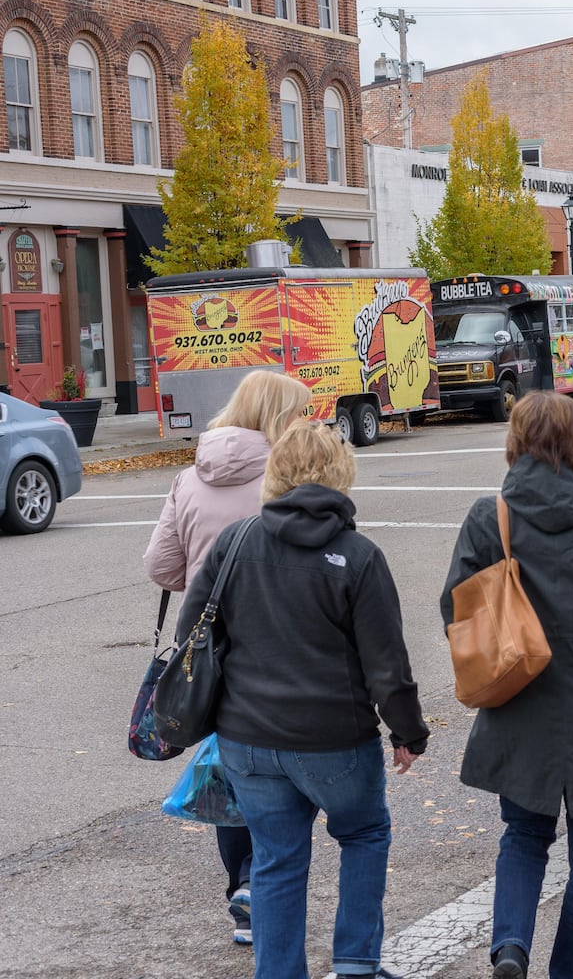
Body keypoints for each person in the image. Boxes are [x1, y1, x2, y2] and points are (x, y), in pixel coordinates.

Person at [190, 421, 428, 979]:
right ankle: (355, 964)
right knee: (365, 833)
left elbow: (196, 632)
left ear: (275, 474)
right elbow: (386, 665)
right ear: (340, 473)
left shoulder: (236, 541)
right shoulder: (358, 554)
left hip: (247, 739)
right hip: (333, 741)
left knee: (274, 860)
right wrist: (407, 733)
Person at [440, 391, 573, 979]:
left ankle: (510, 948)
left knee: (524, 834)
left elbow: (455, 610)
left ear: (517, 441)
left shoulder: (488, 515)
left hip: (519, 691)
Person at [142, 369, 308, 946]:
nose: (307, 423)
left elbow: (161, 568)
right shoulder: (288, 475)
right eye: (301, 413)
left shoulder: (190, 476)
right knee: (280, 769)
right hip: (275, 641)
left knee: (227, 767)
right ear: (282, 419)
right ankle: (262, 882)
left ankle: (243, 886)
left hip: (204, 649)